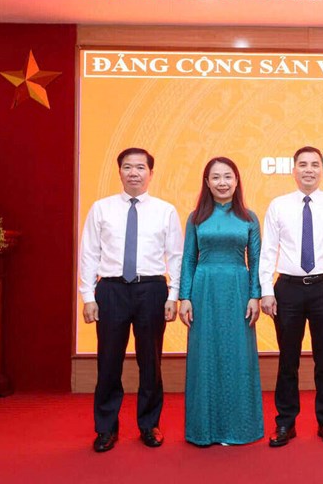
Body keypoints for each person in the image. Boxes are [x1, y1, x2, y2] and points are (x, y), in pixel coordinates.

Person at [79, 147, 183, 452]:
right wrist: (88, 295)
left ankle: (149, 424)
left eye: (140, 168)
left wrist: (173, 295)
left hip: (151, 289)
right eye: (128, 167)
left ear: (151, 173)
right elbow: (89, 253)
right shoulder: (101, 208)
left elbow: (175, 256)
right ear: (119, 171)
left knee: (150, 362)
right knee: (108, 361)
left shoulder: (165, 210)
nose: (134, 173)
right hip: (110, 290)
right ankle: (106, 428)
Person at [260, 145, 323, 447]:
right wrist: (265, 291)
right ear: (294, 169)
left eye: (315, 164)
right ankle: (285, 423)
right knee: (288, 360)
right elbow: (268, 251)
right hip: (287, 289)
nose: (309, 169)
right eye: (303, 164)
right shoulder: (278, 205)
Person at [178, 157, 264, 446]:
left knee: (237, 356)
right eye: (216, 177)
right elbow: (189, 258)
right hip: (204, 290)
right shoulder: (196, 218)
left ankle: (239, 428)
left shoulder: (249, 217)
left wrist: (255, 295)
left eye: (228, 176)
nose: (222, 182)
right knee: (205, 355)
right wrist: (184, 297)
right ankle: (205, 430)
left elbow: (256, 260)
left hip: (238, 290)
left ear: (237, 181)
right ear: (207, 182)